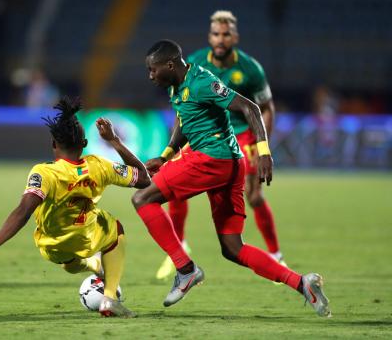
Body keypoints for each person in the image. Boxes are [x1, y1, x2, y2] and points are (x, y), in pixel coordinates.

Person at [132, 39, 330, 317]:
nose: (150, 76)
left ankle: (185, 269)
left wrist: (263, 151)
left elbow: (251, 107)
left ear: (170, 64)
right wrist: (165, 155)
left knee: (142, 198)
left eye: (153, 70)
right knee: (232, 247)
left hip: (212, 158)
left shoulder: (202, 82)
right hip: (229, 164)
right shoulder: (177, 85)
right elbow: (184, 120)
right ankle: (301, 283)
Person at [0, 96, 150, 318]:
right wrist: (114, 141)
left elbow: (23, 212)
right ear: (84, 144)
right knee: (115, 229)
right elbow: (144, 179)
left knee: (70, 262)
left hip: (53, 247)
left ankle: (94, 266)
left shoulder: (44, 173)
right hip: (86, 236)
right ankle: (109, 298)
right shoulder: (100, 165)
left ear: (53, 144)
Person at [155, 10, 285, 281]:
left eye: (226, 34)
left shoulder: (251, 69)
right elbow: (184, 109)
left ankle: (275, 253)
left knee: (255, 196)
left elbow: (264, 107)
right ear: (209, 36)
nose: (221, 39)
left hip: (244, 135)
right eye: (216, 34)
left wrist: (264, 148)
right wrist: (169, 151)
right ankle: (179, 247)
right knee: (173, 190)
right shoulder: (193, 62)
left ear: (235, 37)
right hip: (207, 134)